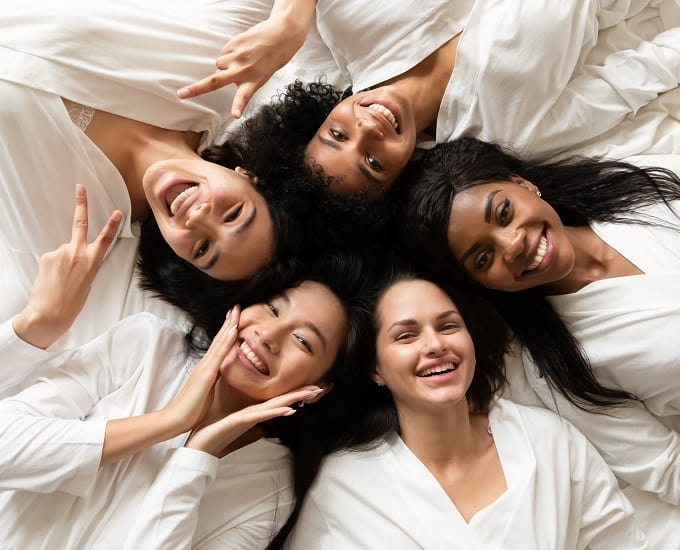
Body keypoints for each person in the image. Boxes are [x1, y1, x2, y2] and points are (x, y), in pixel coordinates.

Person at [0, 207, 378, 547]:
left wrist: (198, 457)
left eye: (302, 340)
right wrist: (170, 421)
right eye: (273, 308)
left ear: (317, 388)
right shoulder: (147, 346)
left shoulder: (269, 487)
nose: (268, 334)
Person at [0, 0, 345, 350]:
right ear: (249, 176)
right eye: (234, 214)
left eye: (202, 248)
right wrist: (290, 22)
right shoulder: (221, 70)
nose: (197, 218)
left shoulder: (65, 227)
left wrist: (39, 323)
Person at [402, 137, 680, 510]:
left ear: (523, 184)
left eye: (503, 213)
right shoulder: (563, 368)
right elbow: (665, 468)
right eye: (484, 258)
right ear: (481, 284)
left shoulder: (637, 189)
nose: (512, 244)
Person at [285, 276, 648, 548]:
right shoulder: (343, 486)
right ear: (375, 369)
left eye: (448, 326)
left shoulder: (550, 442)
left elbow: (619, 541)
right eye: (406, 336)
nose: (436, 345)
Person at [182, 0, 680, 197]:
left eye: (337, 134)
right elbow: (631, 78)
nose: (368, 131)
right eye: (374, 162)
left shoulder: (349, 24)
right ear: (401, 174)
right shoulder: (505, 130)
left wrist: (287, 21)